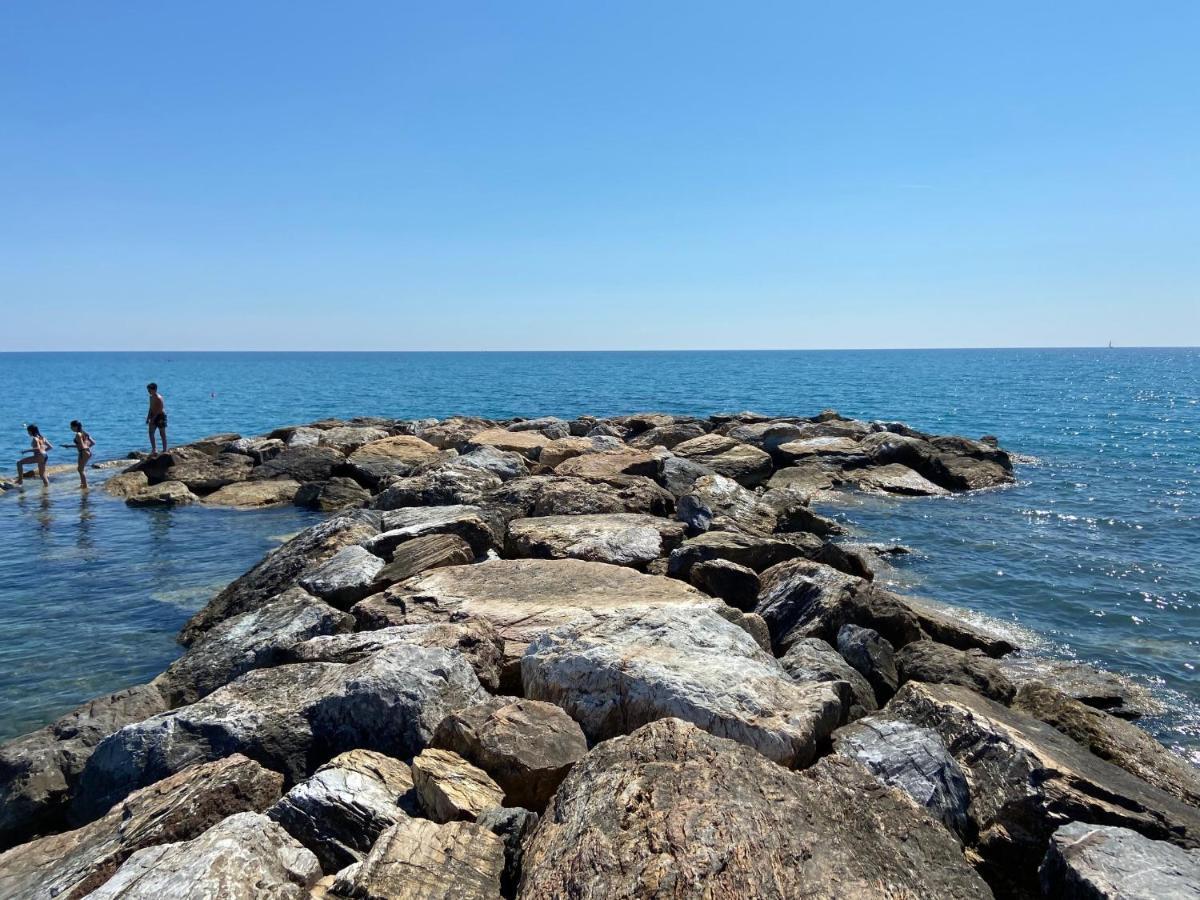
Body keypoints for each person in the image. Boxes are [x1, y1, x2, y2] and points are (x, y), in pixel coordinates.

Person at [70, 420, 95, 489]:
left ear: (76, 427)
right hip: (87, 452)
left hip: (83, 452)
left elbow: (82, 446)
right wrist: (86, 448)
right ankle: (83, 484)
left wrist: (69, 446)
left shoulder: (78, 434)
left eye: (71, 426)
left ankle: (85, 485)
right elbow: (93, 443)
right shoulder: (84, 433)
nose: (70, 428)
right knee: (81, 469)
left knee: (80, 470)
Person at [146, 383, 168, 453]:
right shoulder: (151, 397)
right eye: (148, 390)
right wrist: (148, 417)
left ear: (154, 389)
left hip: (160, 416)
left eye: (149, 390)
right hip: (153, 415)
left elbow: (160, 409)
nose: (148, 391)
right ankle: (154, 449)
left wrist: (154, 418)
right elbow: (151, 407)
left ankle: (164, 449)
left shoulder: (159, 397)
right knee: (151, 432)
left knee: (162, 433)